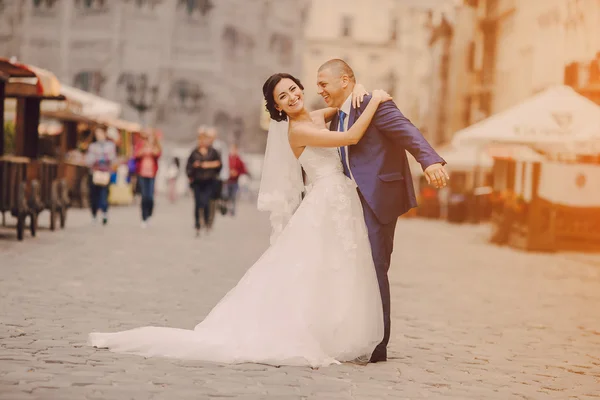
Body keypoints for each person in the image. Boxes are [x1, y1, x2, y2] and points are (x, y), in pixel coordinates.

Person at [88, 71, 444, 367]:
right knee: (314, 267)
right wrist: (380, 99)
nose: (291, 97)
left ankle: (342, 330)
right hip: (326, 199)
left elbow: (344, 107)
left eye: (293, 89)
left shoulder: (317, 117)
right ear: (276, 107)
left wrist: (363, 92)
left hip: (341, 200)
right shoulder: (298, 130)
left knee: (338, 268)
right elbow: (351, 134)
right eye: (282, 96)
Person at [316, 59, 448, 362]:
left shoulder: (374, 106)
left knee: (375, 267)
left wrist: (430, 161)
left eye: (324, 83)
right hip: (347, 203)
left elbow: (407, 131)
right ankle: (355, 331)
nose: (319, 89)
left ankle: (378, 343)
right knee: (353, 269)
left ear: (345, 80)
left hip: (378, 199)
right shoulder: (337, 116)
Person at [185, 127, 222, 236]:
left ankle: (206, 222)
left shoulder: (213, 151)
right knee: (197, 203)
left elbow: (219, 165)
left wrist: (207, 165)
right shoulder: (194, 152)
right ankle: (197, 224)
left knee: (206, 202)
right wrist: (193, 169)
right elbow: (188, 166)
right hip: (197, 181)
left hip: (209, 181)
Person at [85, 127, 117, 226]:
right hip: (94, 173)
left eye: (101, 133)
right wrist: (99, 158)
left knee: (104, 194)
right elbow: (89, 160)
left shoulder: (110, 146)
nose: (99, 136)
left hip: (105, 173)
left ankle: (104, 213)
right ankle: (94, 214)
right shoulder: (92, 146)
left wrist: (101, 157)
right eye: (97, 134)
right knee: (94, 194)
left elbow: (112, 158)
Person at [134, 130, 162, 228]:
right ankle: (143, 217)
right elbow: (136, 155)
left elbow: (158, 154)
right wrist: (144, 148)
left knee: (150, 197)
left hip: (152, 174)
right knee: (144, 196)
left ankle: (149, 213)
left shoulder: (155, 146)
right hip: (142, 173)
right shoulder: (141, 144)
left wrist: (151, 146)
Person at [226, 143, 249, 216]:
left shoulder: (239, 159)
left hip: (235, 181)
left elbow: (244, 170)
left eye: (235, 150)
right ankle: (226, 208)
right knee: (226, 195)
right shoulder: (227, 158)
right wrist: (229, 172)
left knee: (233, 196)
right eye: (232, 149)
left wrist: (237, 173)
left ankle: (232, 210)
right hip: (227, 181)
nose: (233, 151)